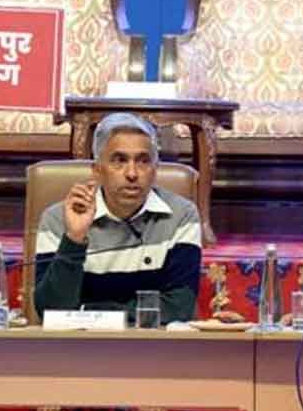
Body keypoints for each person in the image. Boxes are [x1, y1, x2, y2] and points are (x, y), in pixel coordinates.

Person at [34, 113, 202, 323]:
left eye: (143, 161)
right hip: (80, 342)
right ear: (97, 170)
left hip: (152, 341)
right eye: (119, 160)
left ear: (155, 169)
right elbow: (50, 312)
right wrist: (74, 239)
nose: (132, 173)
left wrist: (91, 312)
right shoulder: (58, 218)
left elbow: (180, 308)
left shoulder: (181, 215)